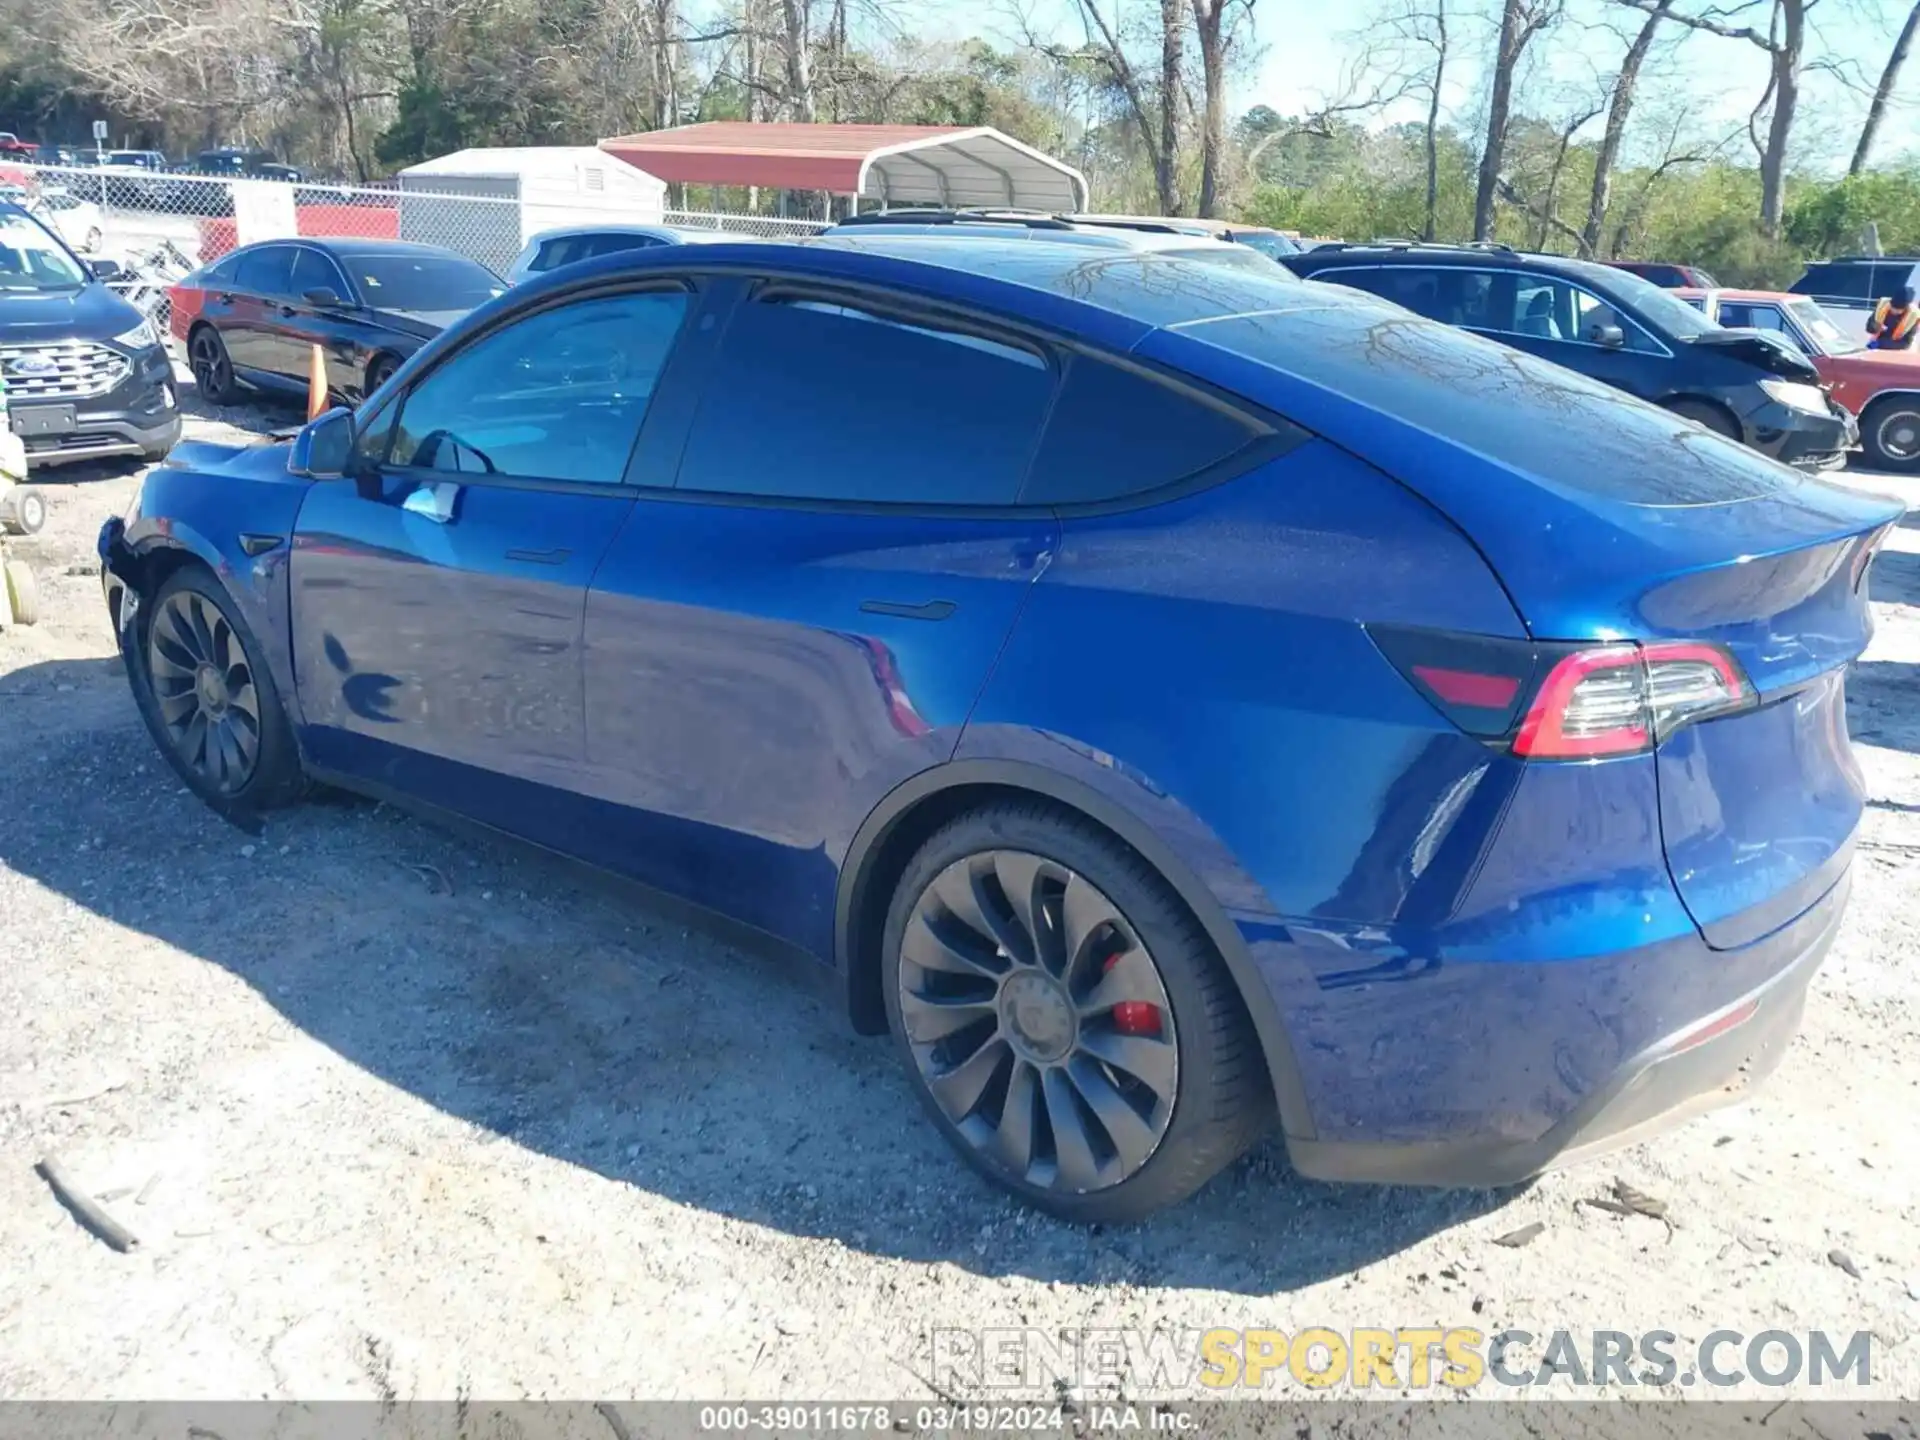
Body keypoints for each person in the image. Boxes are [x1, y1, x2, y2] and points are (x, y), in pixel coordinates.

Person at [1868, 283, 1918, 349]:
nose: (1894, 311)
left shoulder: (1913, 316)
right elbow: (1869, 326)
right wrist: (1875, 327)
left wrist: (1880, 343)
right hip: (1877, 342)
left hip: (1899, 348)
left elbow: (1906, 343)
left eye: (1898, 309)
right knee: (1867, 349)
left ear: (1906, 308)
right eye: (1893, 307)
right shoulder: (1883, 305)